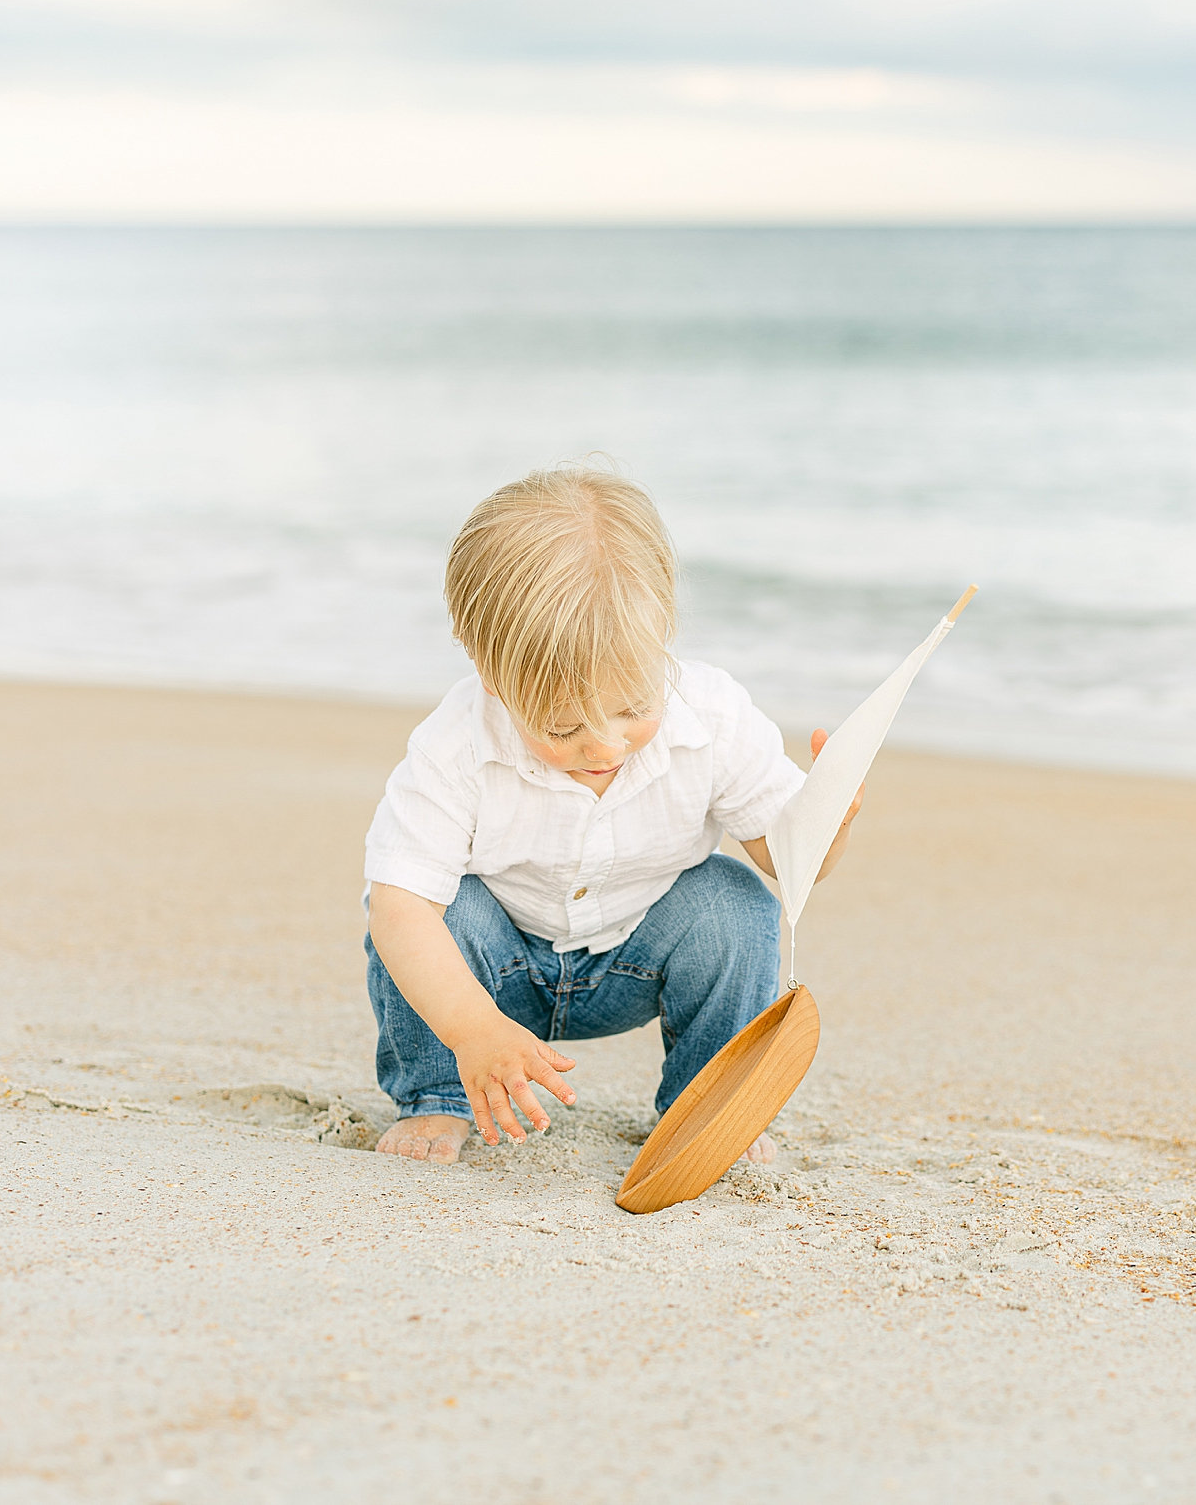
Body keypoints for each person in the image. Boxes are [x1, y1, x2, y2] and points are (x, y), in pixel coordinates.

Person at [360, 467, 861, 1165]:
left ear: (664, 637)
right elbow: (398, 909)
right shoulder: (455, 748)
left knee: (737, 903)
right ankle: (438, 1096)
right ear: (489, 673)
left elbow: (790, 861)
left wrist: (824, 822)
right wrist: (474, 1026)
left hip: (634, 958)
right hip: (496, 974)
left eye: (631, 709)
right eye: (562, 727)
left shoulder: (711, 717)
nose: (604, 745)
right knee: (427, 910)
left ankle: (704, 1105)